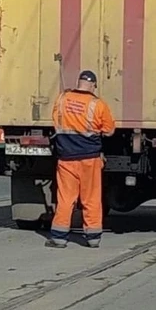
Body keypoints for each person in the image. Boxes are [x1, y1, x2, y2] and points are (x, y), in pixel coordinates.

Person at [47, 70, 116, 249]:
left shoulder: (62, 99)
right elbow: (109, 131)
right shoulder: (97, 104)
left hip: (66, 158)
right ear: (93, 85)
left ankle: (59, 238)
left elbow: (56, 122)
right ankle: (93, 238)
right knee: (91, 198)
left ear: (78, 82)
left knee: (65, 198)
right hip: (90, 159)